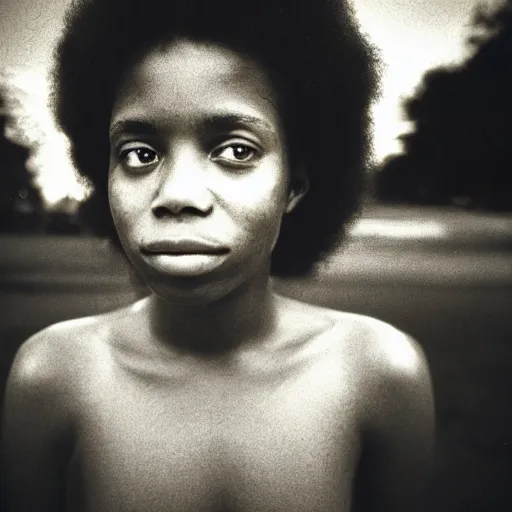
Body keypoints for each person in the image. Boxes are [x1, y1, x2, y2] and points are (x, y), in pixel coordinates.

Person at [1, 0, 435, 510]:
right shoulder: (52, 375)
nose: (178, 194)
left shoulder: (380, 373)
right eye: (140, 153)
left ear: (293, 184)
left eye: (235, 150)